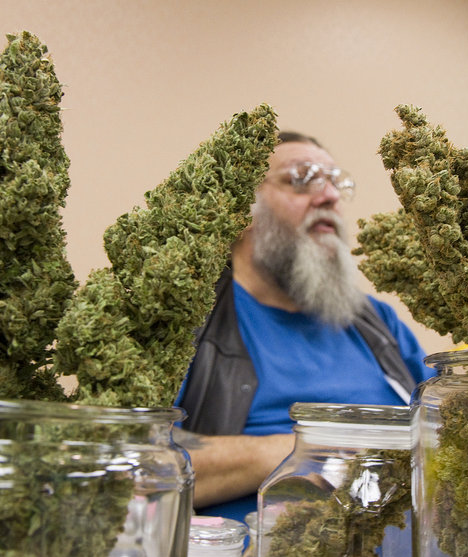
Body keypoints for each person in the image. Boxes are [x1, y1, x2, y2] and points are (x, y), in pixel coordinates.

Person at [174, 131, 434, 522]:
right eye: (302, 180)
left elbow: (450, 428)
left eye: (334, 182)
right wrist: (307, 451)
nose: (328, 195)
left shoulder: (377, 323)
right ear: (240, 209)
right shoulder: (190, 322)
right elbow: (135, 464)